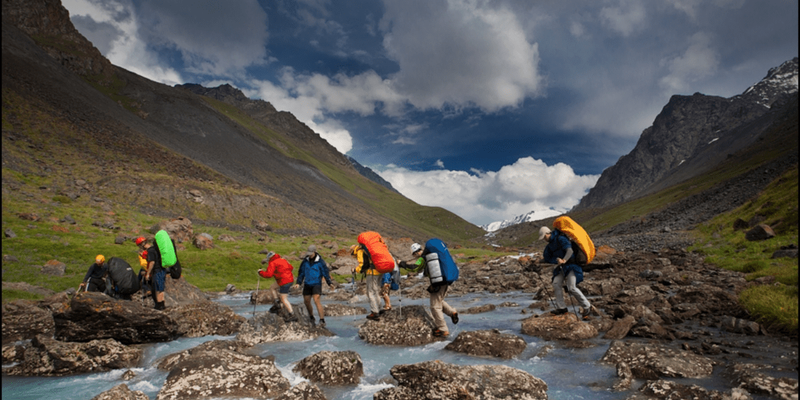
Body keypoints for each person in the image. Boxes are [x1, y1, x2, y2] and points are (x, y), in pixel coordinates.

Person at [402, 242, 458, 337]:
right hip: (444, 281)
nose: (415, 257)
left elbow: (414, 268)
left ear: (416, 253)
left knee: (435, 306)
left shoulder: (423, 258)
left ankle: (443, 329)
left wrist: (402, 264)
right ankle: (452, 312)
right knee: (439, 300)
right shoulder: (431, 256)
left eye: (414, 255)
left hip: (438, 283)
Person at [539, 226, 594, 320]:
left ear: (548, 234)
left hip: (572, 265)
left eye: (544, 237)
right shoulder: (549, 246)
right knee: (556, 283)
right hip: (562, 268)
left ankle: (587, 306)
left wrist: (564, 260)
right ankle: (562, 308)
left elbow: (570, 250)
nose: (544, 239)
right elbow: (547, 258)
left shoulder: (561, 238)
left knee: (571, 287)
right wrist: (538, 261)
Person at [294, 245, 334, 327]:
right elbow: (301, 273)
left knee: (316, 300)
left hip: (316, 284)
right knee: (306, 301)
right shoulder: (305, 261)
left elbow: (325, 273)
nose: (309, 255)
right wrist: (298, 283)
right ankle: (311, 317)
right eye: (308, 253)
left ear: (314, 252)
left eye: (311, 253)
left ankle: (322, 320)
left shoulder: (320, 262)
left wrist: (329, 283)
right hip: (307, 283)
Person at [259, 251, 298, 322]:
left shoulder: (272, 263)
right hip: (289, 279)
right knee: (272, 287)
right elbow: (291, 267)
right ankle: (277, 302)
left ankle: (292, 314)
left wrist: (261, 272)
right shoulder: (283, 260)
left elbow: (268, 275)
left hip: (283, 281)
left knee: (284, 298)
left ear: (269, 258)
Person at [350, 243, 382, 321]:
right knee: (376, 291)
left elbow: (363, 264)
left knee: (370, 292)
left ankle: (375, 312)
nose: (354, 256)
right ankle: (379, 309)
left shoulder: (360, 251)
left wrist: (355, 270)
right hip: (379, 271)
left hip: (372, 272)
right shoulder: (365, 250)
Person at [145, 239, 167, 310]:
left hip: (157, 270)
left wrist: (148, 274)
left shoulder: (150, 251)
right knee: (161, 287)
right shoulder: (156, 249)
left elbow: (152, 262)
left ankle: (160, 305)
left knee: (158, 288)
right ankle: (162, 303)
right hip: (162, 269)